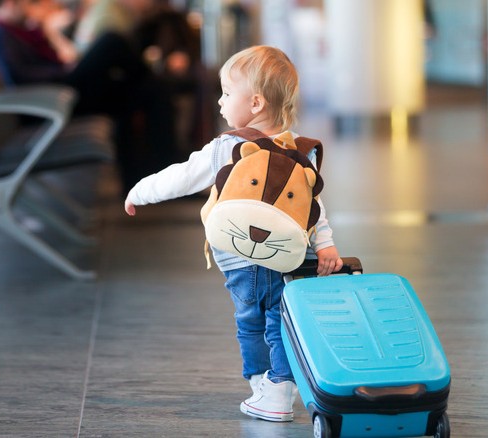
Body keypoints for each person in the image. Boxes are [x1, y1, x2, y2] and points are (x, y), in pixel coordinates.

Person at [124, 45, 343, 423]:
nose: (221, 101)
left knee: (251, 321)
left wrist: (139, 190)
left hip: (241, 259)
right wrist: (325, 245)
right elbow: (311, 206)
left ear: (255, 102)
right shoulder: (298, 150)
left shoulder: (228, 147)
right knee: (279, 320)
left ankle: (269, 389)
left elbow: (181, 176)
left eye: (227, 92)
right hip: (287, 253)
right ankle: (275, 386)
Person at [0, 0, 179, 193]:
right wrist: (63, 72)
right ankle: (164, 177)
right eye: (24, 4)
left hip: (57, 94)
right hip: (51, 101)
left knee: (146, 91)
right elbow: (19, 77)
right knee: (111, 41)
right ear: (9, 4)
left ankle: (147, 181)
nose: (28, 9)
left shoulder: (17, 31)